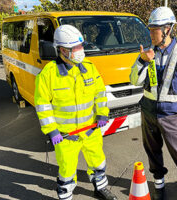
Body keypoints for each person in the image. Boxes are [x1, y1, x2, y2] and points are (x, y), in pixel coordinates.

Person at [34, 24, 117, 200]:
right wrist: (52, 131)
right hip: (66, 136)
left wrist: (102, 113)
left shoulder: (89, 67)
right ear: (62, 50)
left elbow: (100, 93)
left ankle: (100, 187)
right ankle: (65, 195)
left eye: (81, 46)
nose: (81, 51)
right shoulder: (48, 75)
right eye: (75, 48)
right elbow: (42, 106)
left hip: (90, 130)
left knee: (98, 162)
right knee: (67, 170)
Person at [130, 7, 177, 200]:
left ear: (168, 29)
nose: (151, 33)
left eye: (155, 29)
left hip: (172, 114)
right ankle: (159, 185)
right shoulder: (147, 53)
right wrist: (142, 61)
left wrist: (174, 101)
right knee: (152, 150)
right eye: (150, 29)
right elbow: (135, 81)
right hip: (149, 110)